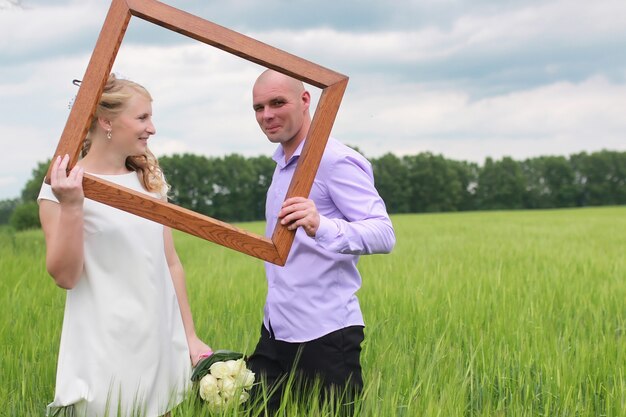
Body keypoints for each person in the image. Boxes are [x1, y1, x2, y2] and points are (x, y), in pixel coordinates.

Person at [38, 74, 211, 417]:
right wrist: (73, 205)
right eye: (143, 117)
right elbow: (65, 276)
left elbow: (170, 263)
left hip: (160, 343)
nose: (152, 128)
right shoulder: (61, 186)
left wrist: (189, 337)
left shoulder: (150, 183)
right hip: (104, 350)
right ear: (106, 121)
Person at [247, 69, 396, 411]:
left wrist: (321, 225)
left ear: (305, 100)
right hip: (275, 330)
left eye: (277, 103)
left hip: (325, 336)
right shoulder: (282, 164)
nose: (266, 115)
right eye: (258, 107)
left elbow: (384, 233)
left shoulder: (335, 160)